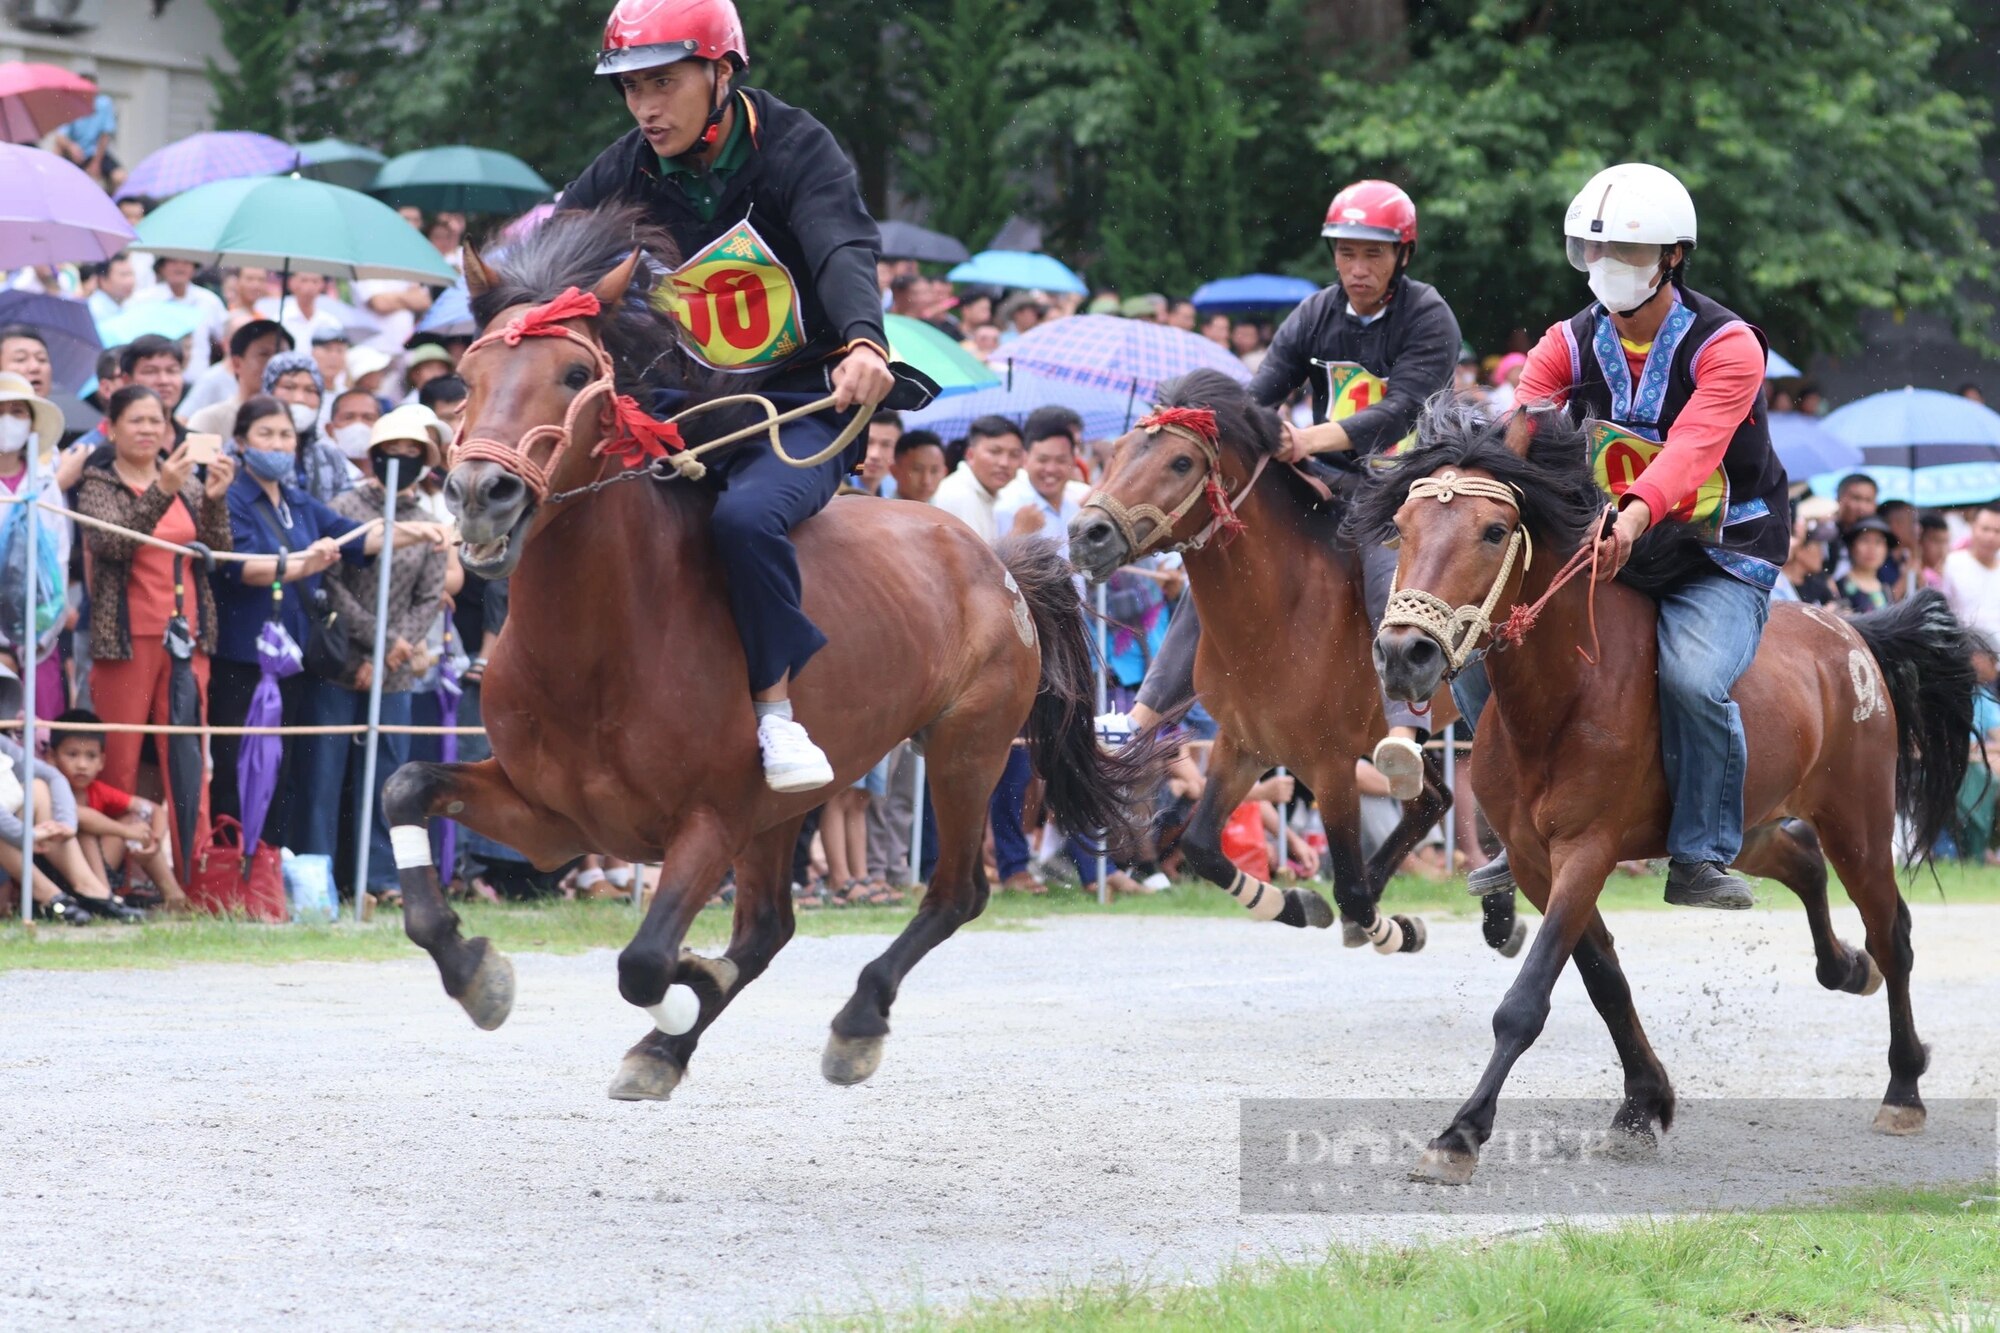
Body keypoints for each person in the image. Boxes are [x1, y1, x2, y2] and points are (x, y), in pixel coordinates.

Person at [558, 0, 897, 793]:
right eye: (631, 88)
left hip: (805, 400)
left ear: (720, 73)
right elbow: (549, 244)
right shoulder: (624, 166)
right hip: (689, 405)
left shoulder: (798, 145)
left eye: (663, 83)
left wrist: (865, 340)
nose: (645, 106)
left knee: (745, 518)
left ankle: (777, 716)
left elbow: (841, 242)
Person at [1487, 161, 1791, 910]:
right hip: (1611, 541)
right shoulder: (1563, 342)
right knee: (1482, 648)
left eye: (1625, 254)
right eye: (1593, 253)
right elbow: (1519, 429)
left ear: (1673, 257)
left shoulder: (1729, 347)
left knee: (1691, 676)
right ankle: (1509, 832)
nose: (1606, 270)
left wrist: (1629, 513)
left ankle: (1701, 852)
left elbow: (1692, 449)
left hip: (1718, 552)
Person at [1132, 180, 1463, 806]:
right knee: (1218, 556)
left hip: (1406, 488)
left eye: (1372, 255)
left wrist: (1306, 439)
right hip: (1323, 482)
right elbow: (1259, 395)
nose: (1357, 269)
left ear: (1403, 256)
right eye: (1346, 254)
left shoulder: (1428, 315)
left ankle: (1404, 730)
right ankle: (1144, 719)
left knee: (1385, 571)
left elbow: (1401, 410)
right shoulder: (1314, 313)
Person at [205, 397, 402, 851]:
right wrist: (305, 562)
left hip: (293, 659)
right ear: (240, 442)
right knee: (239, 765)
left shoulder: (296, 498)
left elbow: (355, 535)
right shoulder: (232, 495)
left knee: (283, 768)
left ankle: (271, 868)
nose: (278, 444)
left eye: (286, 435)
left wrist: (421, 530)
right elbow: (245, 568)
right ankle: (233, 865)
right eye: (266, 434)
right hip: (243, 656)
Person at [74, 385, 236, 872]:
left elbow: (219, 550)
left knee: (189, 755)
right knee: (119, 759)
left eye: (156, 421)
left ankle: (197, 870)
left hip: (187, 635)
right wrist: (161, 491)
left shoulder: (186, 481)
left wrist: (214, 499)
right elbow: (112, 544)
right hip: (126, 638)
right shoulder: (97, 483)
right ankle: (120, 876)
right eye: (136, 421)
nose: (147, 430)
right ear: (112, 427)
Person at [308, 406, 452, 900]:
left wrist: (397, 648)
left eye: (413, 453)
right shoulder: (346, 507)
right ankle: (322, 878)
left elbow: (430, 596)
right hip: (342, 659)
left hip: (395, 674)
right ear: (374, 455)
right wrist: (379, 642)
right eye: (392, 451)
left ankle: (382, 878)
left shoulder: (430, 521)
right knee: (326, 778)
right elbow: (332, 582)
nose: (401, 459)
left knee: (389, 780)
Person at [49, 709, 187, 911]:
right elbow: (78, 815)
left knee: (135, 821)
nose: (82, 765)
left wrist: (154, 842)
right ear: (52, 757)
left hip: (100, 867)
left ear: (102, 762)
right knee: (85, 830)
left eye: (91, 756)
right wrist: (125, 832)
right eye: (72, 754)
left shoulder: (97, 791)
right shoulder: (50, 786)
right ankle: (102, 898)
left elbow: (155, 810)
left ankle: (174, 897)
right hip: (62, 872)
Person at [0, 373, 78, 714]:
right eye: (0, 411)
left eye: (18, 411)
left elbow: (57, 562)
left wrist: (38, 636)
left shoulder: (45, 484)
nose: (8, 420)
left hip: (37, 638)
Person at [260, 351, 351, 502]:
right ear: (269, 391)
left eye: (310, 390)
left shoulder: (330, 458)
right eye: (289, 387)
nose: (300, 399)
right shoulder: (247, 454)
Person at [184, 319, 293, 438]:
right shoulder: (210, 421)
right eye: (264, 354)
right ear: (237, 364)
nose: (274, 363)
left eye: (281, 355)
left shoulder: (296, 418)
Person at [930, 416, 1022, 540]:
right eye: (995, 452)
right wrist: (1019, 532)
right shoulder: (959, 494)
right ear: (970, 455)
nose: (1004, 463)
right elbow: (975, 558)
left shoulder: (987, 493)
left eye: (1014, 455)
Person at [132, 258, 228, 377]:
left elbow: (225, 339)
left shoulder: (209, 301)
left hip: (197, 381)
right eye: (173, 262)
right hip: (156, 381)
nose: (180, 268)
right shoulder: (143, 300)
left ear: (194, 267)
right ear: (161, 266)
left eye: (186, 262)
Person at [1943, 502, 2000, 639]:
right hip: (1963, 648)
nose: (1991, 537)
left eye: (1997, 531)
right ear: (1973, 528)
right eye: (1985, 529)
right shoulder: (1952, 563)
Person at [1834, 516, 1896, 613]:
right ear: (1852, 547)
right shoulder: (1839, 587)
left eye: (1878, 542)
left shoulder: (1885, 590)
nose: (1871, 548)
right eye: (1865, 540)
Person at [889, 428, 947, 504]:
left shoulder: (945, 512)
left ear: (944, 472)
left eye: (934, 471)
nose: (926, 481)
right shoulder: (879, 511)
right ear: (894, 471)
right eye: (917, 469)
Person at [856, 409, 901, 497]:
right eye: (868, 442)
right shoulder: (832, 489)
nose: (875, 455)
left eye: (886, 445)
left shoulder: (891, 495)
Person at [85, 254, 137, 324]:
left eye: (131, 274)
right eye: (123, 275)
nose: (130, 281)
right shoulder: (94, 311)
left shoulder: (126, 305)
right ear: (102, 280)